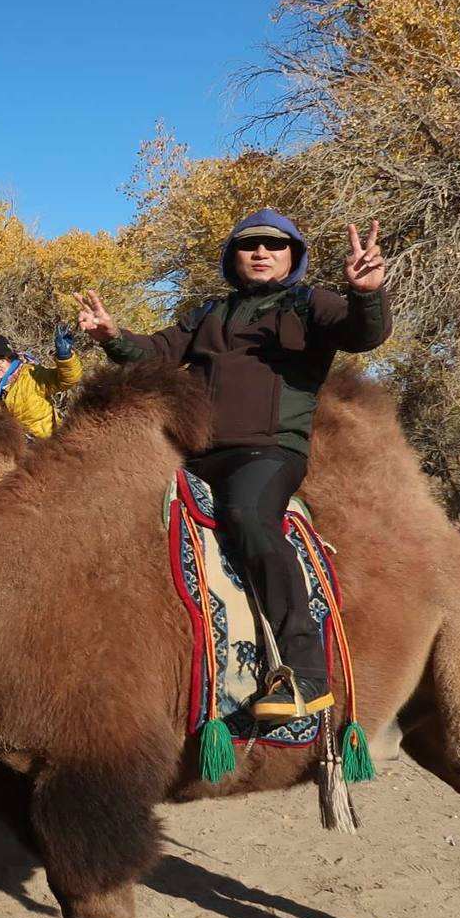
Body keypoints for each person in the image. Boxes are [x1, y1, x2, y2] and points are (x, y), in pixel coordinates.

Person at [77, 208, 390, 724]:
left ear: (292, 256)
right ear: (233, 258)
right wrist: (113, 336)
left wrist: (366, 294)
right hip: (196, 454)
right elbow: (155, 352)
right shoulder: (209, 315)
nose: (262, 252)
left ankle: (305, 673)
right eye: (250, 245)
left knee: (248, 517)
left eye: (275, 244)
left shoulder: (311, 305)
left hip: (267, 454)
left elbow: (363, 334)